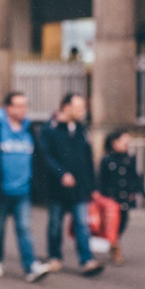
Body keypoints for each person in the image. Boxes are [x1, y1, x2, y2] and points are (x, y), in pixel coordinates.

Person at [0, 92, 52, 283]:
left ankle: (30, 266)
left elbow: (38, 158)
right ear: (8, 108)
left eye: (25, 105)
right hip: (0, 191)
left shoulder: (30, 130)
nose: (23, 109)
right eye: (18, 105)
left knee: (25, 229)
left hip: (23, 191)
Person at [37, 93, 104, 276]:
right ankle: (54, 257)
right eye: (79, 107)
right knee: (55, 223)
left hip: (80, 187)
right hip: (57, 188)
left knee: (82, 223)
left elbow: (88, 159)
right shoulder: (49, 129)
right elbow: (45, 156)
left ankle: (86, 260)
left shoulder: (81, 129)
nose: (83, 112)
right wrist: (61, 174)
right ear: (66, 107)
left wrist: (93, 187)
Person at [98, 129, 145, 266]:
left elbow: (136, 177)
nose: (127, 143)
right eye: (124, 140)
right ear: (115, 142)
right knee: (113, 223)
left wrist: (143, 193)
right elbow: (101, 179)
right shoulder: (107, 159)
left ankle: (113, 242)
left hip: (125, 197)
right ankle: (116, 249)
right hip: (111, 198)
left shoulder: (129, 158)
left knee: (123, 221)